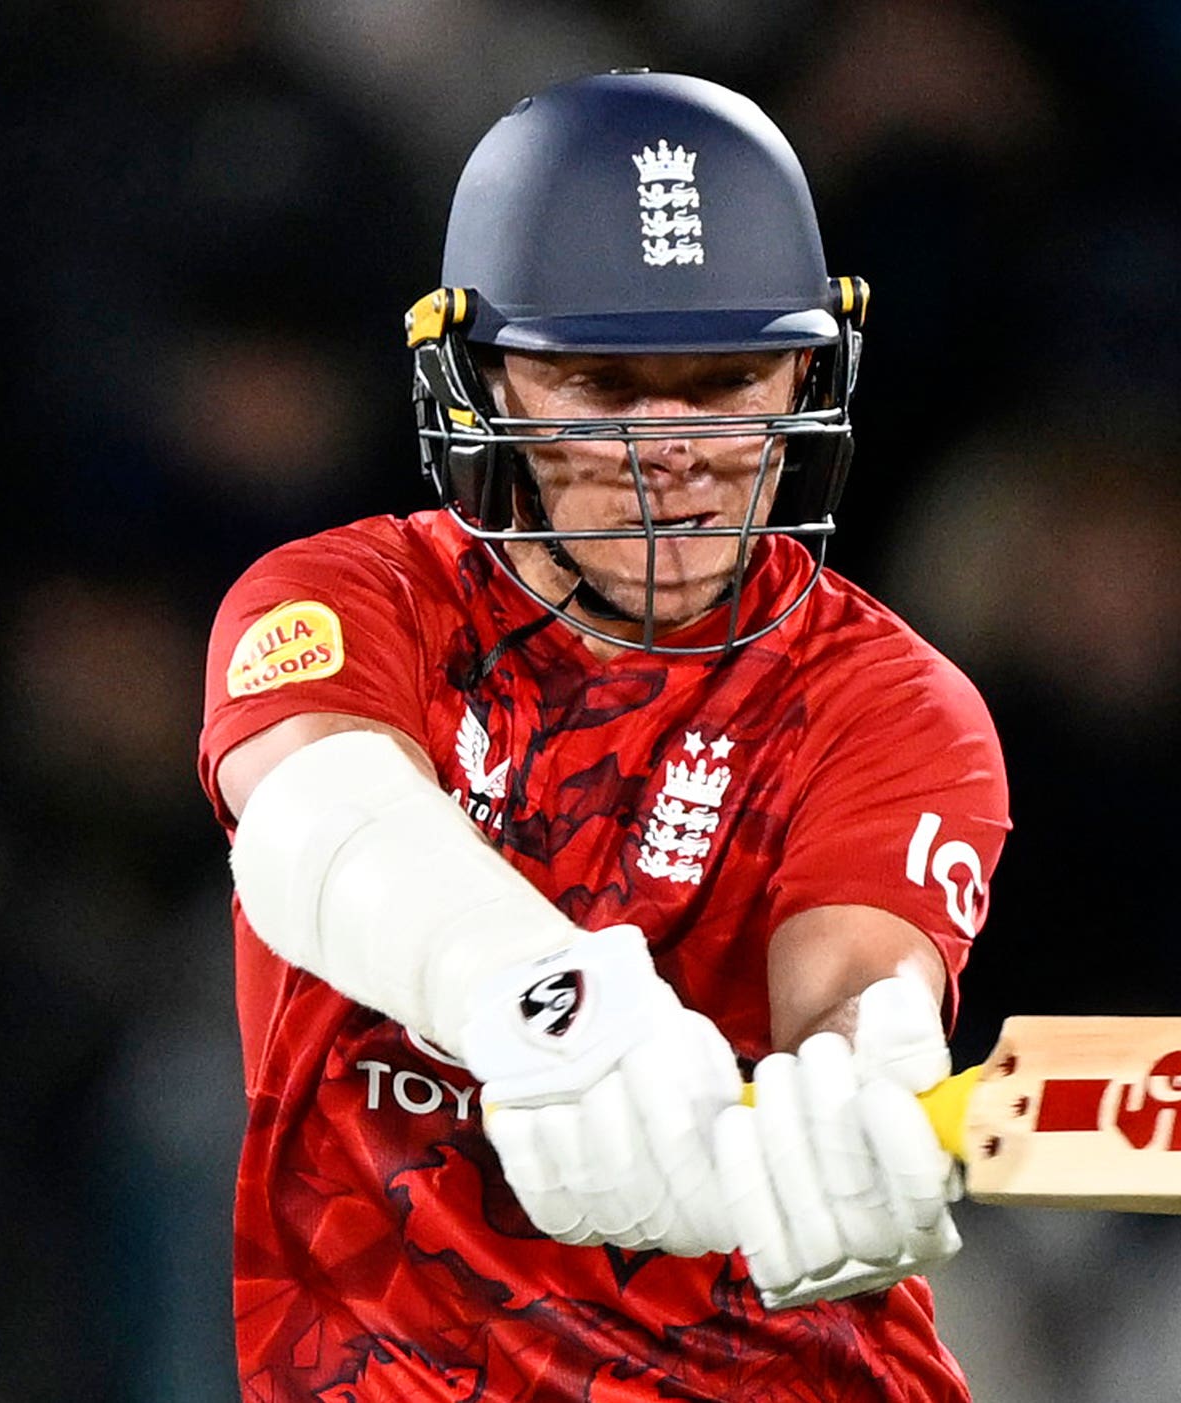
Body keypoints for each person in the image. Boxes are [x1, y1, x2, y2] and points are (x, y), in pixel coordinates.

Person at [196, 71, 1009, 1402]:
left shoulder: (888, 697)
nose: (671, 449)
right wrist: (548, 1010)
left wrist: (862, 1087)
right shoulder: (347, 600)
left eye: (727, 378)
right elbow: (317, 824)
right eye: (603, 383)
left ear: (809, 370)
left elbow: (856, 989)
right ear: (484, 374)